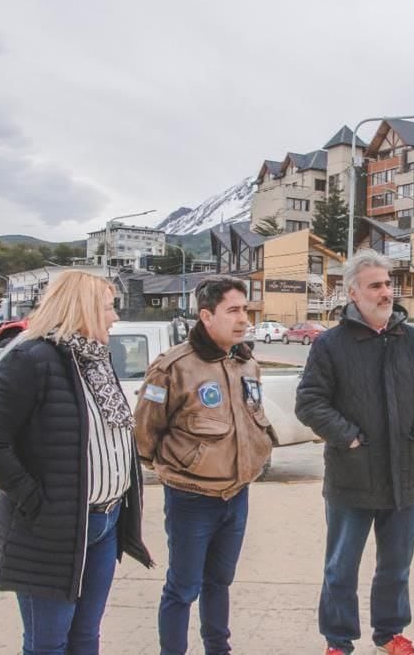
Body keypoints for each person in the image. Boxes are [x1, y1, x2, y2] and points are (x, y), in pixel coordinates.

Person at [0, 270, 153, 655]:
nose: (114, 317)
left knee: (85, 637)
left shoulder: (94, 358)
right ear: (82, 308)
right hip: (53, 531)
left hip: (104, 523)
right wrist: (38, 501)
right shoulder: (30, 359)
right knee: (48, 644)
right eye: (108, 307)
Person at [295, 249, 414, 655]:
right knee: (340, 568)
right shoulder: (331, 344)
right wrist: (347, 437)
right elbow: (310, 402)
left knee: (396, 567)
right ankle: (338, 640)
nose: (386, 293)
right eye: (376, 286)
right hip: (352, 475)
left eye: (388, 284)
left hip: (405, 473)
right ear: (353, 293)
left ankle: (390, 634)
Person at [134, 275, 273, 655]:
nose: (243, 318)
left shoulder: (247, 364)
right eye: (233, 310)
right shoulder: (173, 366)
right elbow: (145, 432)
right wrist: (174, 471)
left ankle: (218, 650)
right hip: (191, 498)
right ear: (207, 316)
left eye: (245, 309)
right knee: (182, 588)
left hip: (236, 495)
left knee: (220, 582)